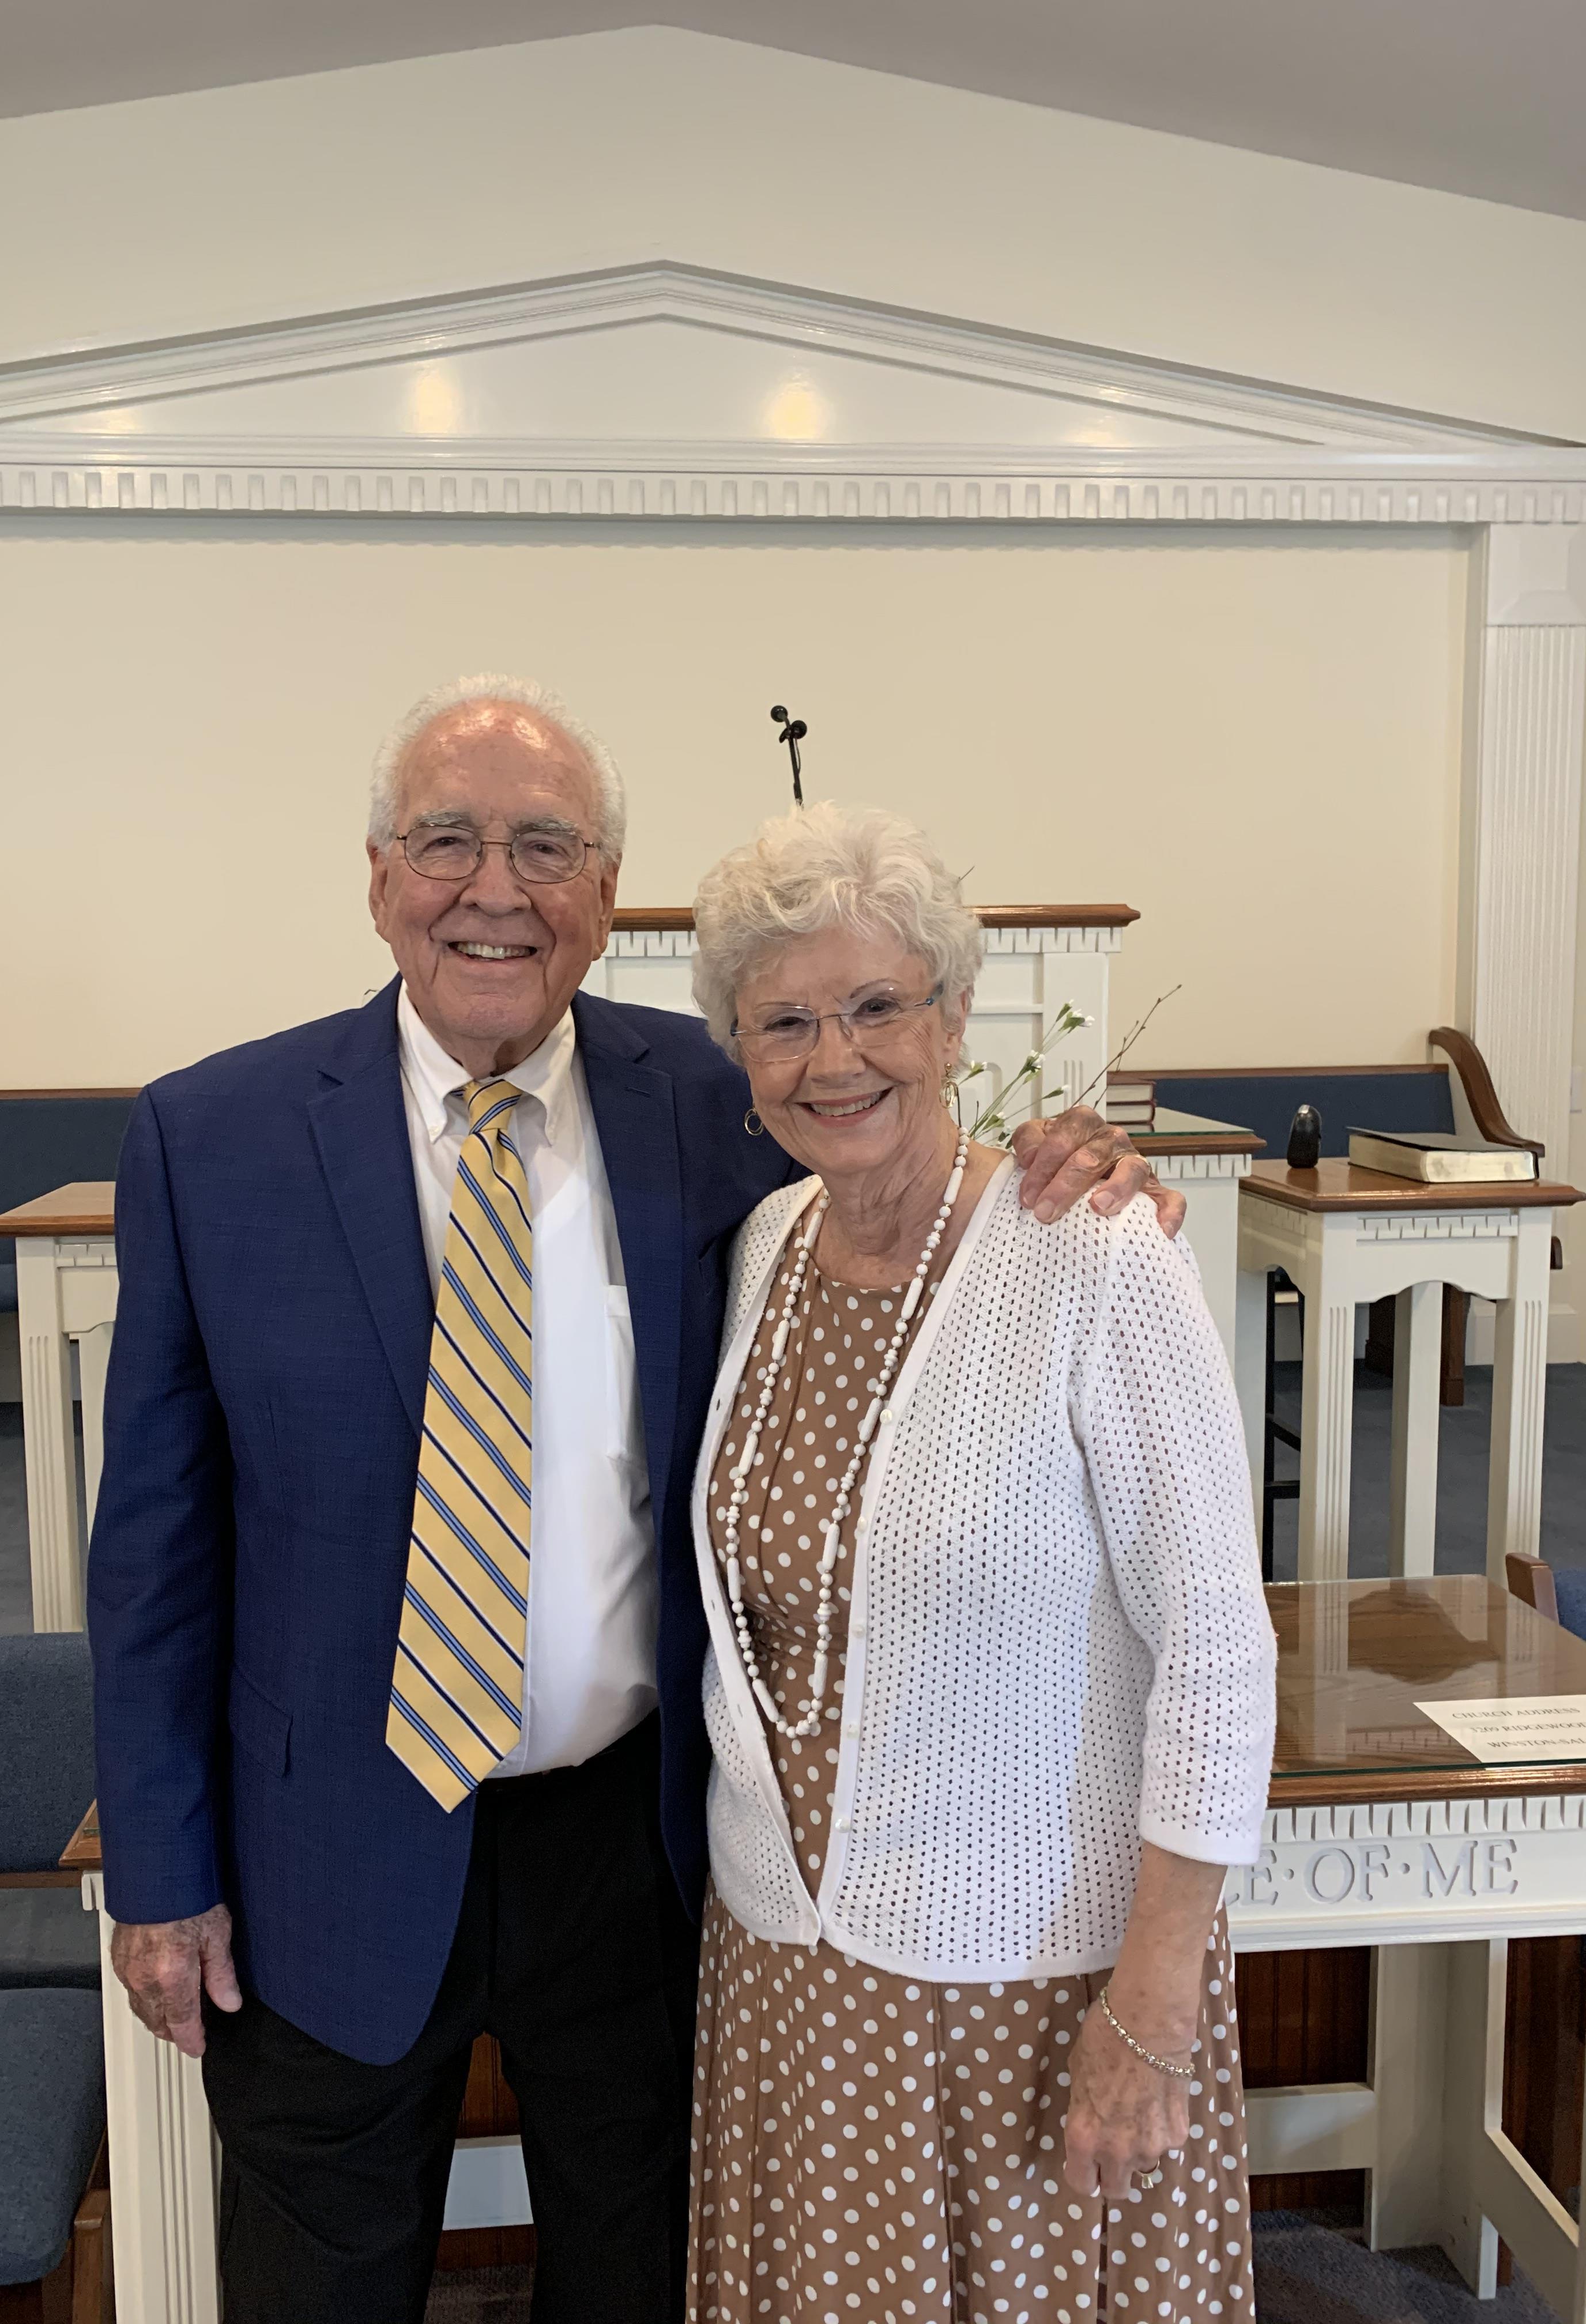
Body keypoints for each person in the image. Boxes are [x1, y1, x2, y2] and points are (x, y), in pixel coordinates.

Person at [87, 677, 1178, 2324]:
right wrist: (161, 1871)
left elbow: (894, 1153)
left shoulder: (719, 1101)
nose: (495, 889)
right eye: (447, 841)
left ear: (609, 893)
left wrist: (1079, 1158)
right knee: (314, 2283)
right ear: (378, 874)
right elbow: (159, 1547)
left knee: (644, 2271)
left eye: (548, 847)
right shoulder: (208, 1137)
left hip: (639, 1841)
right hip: (327, 1838)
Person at [685, 801, 1276, 2324]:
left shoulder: (1091, 1250)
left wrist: (1151, 2006)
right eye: (787, 1020)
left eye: (880, 1005)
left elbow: (1218, 1643)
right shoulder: (761, 1249)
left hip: (1033, 1984)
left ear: (952, 1020)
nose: (838, 1058)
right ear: (740, 1053)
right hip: (791, 1975)